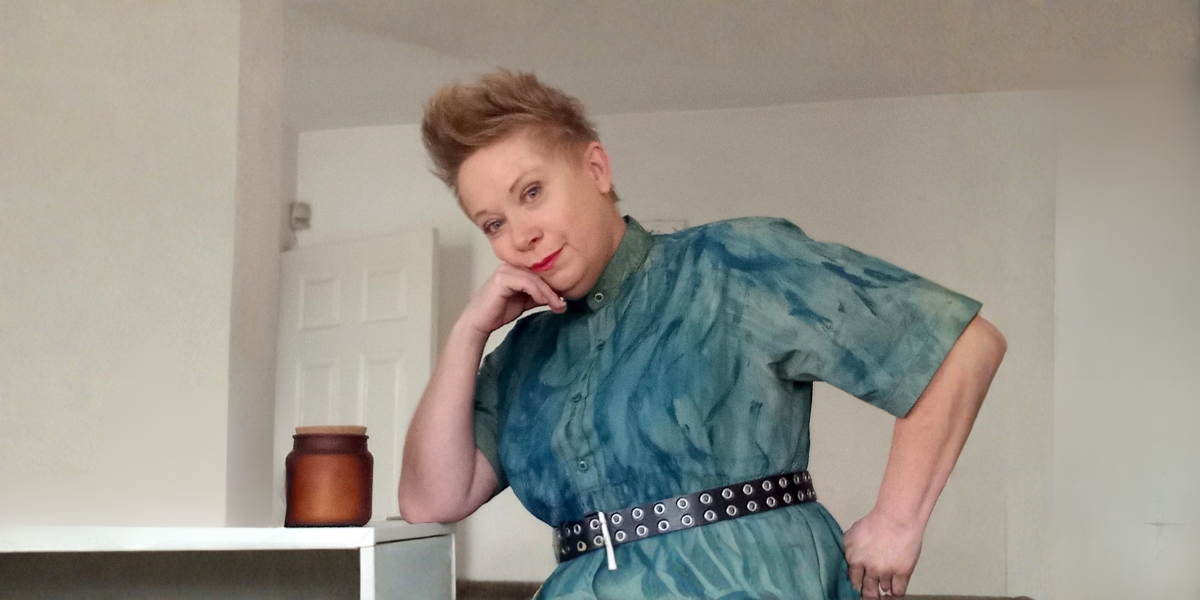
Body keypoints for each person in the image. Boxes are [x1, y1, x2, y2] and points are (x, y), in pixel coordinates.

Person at [399, 69, 1006, 600]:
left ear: (596, 168)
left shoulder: (732, 264)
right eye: (493, 223)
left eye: (532, 192)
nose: (520, 235)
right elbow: (430, 501)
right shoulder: (523, 355)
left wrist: (899, 521)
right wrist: (467, 333)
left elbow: (962, 345)